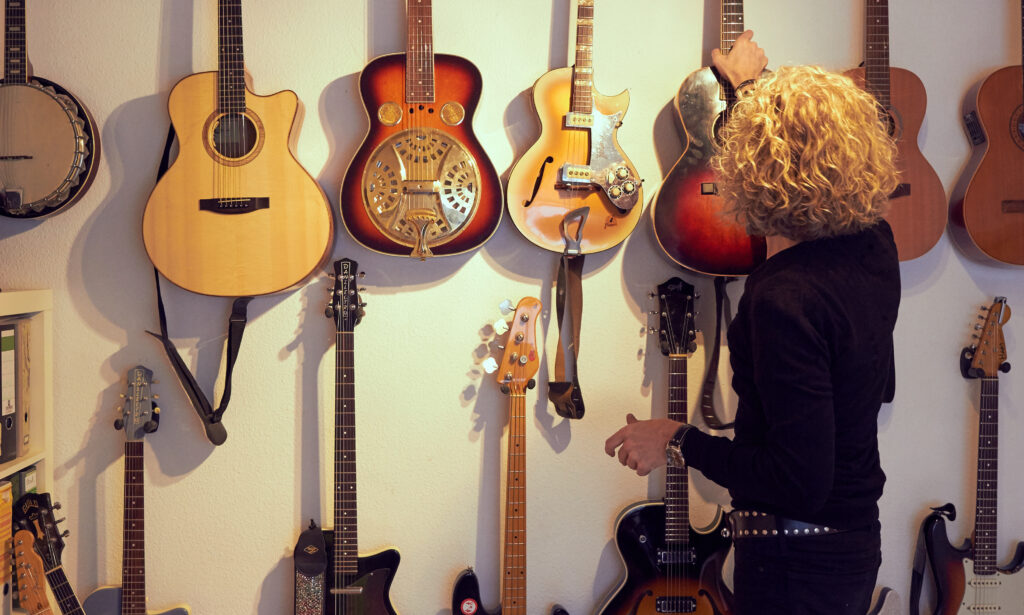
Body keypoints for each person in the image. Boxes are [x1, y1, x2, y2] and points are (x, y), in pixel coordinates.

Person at [604, 31, 900, 615]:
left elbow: (797, 480)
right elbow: (801, 165)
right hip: (850, 547)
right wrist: (748, 91)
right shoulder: (874, 244)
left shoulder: (783, 298)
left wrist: (677, 438)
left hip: (796, 567)